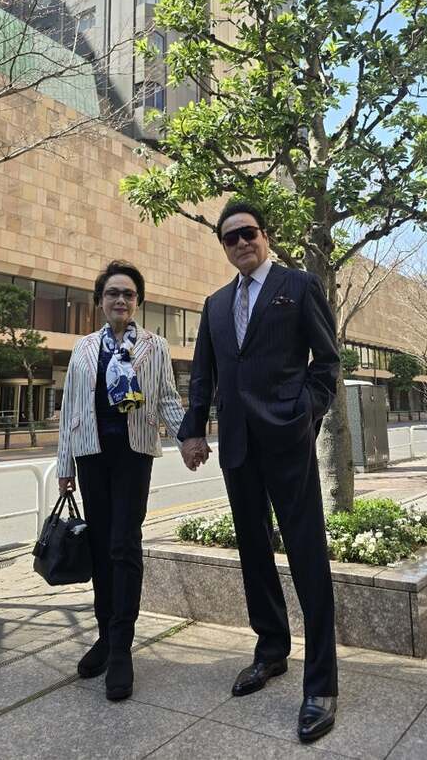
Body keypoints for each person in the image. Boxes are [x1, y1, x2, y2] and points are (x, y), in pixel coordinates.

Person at [179, 200, 340, 744]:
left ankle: (321, 684)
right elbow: (204, 375)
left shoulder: (299, 286)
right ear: (224, 247)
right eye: (231, 238)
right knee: (253, 551)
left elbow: (327, 363)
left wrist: (306, 414)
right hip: (238, 446)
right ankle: (271, 649)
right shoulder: (215, 304)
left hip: (288, 441)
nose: (241, 243)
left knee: (307, 555)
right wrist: (193, 430)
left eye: (248, 233)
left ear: (265, 236)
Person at [57, 260, 185, 701]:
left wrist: (189, 440)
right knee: (99, 546)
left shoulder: (155, 346)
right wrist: (64, 467)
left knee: (123, 544)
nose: (120, 300)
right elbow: (70, 409)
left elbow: (167, 399)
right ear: (100, 301)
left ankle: (121, 646)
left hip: (133, 453)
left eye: (128, 294)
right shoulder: (83, 348)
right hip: (91, 454)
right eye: (112, 293)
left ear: (138, 302)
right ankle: (105, 635)